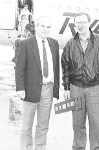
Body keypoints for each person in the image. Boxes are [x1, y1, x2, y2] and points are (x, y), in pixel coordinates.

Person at [61, 12, 99, 150]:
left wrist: (97, 73)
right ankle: (78, 147)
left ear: (89, 23)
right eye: (77, 23)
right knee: (77, 123)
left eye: (83, 22)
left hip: (95, 88)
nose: (80, 25)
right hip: (75, 88)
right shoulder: (70, 44)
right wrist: (66, 88)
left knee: (96, 123)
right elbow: (65, 66)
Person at [15, 16, 60, 150]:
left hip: (48, 88)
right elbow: (20, 68)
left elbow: (56, 67)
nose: (45, 29)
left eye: (48, 27)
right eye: (42, 26)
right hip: (30, 89)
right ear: (37, 27)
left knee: (43, 125)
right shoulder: (25, 44)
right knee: (27, 125)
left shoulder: (54, 43)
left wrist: (56, 88)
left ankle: (40, 147)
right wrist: (20, 88)